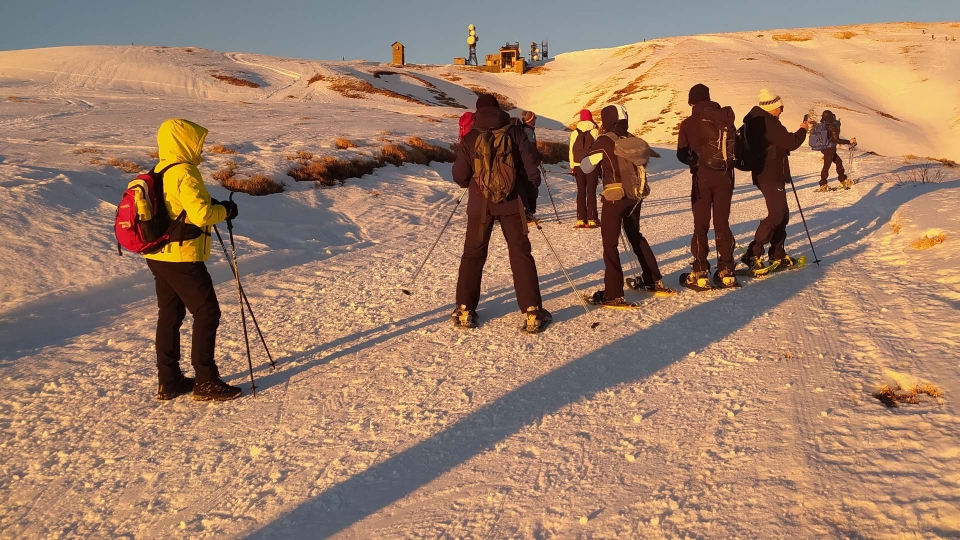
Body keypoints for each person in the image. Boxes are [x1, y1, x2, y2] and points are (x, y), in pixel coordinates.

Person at [145, 118, 242, 401]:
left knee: (171, 315)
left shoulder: (159, 169)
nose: (200, 146)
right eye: (196, 141)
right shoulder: (184, 171)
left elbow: (179, 207)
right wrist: (224, 212)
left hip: (157, 254)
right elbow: (201, 215)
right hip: (182, 255)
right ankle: (206, 380)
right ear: (184, 142)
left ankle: (169, 379)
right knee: (207, 312)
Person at [451, 95, 551, 333]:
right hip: (512, 203)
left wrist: (476, 184)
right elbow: (531, 169)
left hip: (479, 205)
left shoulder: (470, 136)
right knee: (520, 253)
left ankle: (465, 309)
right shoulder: (515, 132)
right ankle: (532, 311)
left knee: (473, 254)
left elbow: (459, 176)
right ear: (498, 110)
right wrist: (527, 193)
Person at [580, 104, 675, 306]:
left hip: (615, 197)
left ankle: (613, 293)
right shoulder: (631, 138)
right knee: (635, 235)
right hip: (635, 195)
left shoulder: (605, 141)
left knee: (610, 245)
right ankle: (653, 280)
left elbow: (586, 166)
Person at [676, 84, 738, 288]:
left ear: (692, 102)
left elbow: (681, 154)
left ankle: (701, 271)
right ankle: (726, 270)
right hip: (725, 177)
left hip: (702, 178)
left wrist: (694, 160)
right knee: (722, 223)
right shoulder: (725, 119)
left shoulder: (688, 123)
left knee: (701, 225)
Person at [740, 89, 809, 271]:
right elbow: (791, 142)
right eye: (780, 107)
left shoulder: (755, 120)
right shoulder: (768, 123)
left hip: (765, 174)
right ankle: (753, 253)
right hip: (770, 174)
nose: (782, 110)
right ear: (772, 108)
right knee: (777, 214)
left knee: (782, 214)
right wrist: (803, 130)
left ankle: (777, 253)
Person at [569, 109, 600, 228]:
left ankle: (581, 219)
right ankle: (592, 218)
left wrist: (572, 166)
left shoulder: (574, 133)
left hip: (577, 165)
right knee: (591, 191)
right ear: (590, 118)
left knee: (581, 191)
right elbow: (598, 150)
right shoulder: (595, 131)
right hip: (591, 164)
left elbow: (571, 151)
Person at [814, 110, 857, 191]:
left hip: (824, 148)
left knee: (839, 162)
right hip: (830, 149)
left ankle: (843, 180)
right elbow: (837, 140)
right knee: (826, 166)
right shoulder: (831, 126)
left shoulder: (821, 125)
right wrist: (849, 141)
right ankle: (823, 184)